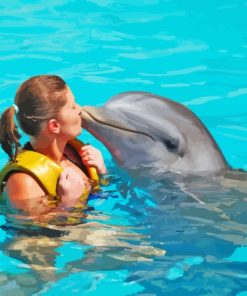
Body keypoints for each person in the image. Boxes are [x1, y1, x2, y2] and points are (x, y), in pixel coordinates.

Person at [0, 75, 107, 217]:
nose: (80, 109)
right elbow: (31, 235)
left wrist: (102, 172)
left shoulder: (74, 153)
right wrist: (69, 203)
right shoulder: (23, 182)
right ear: (54, 126)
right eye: (73, 106)